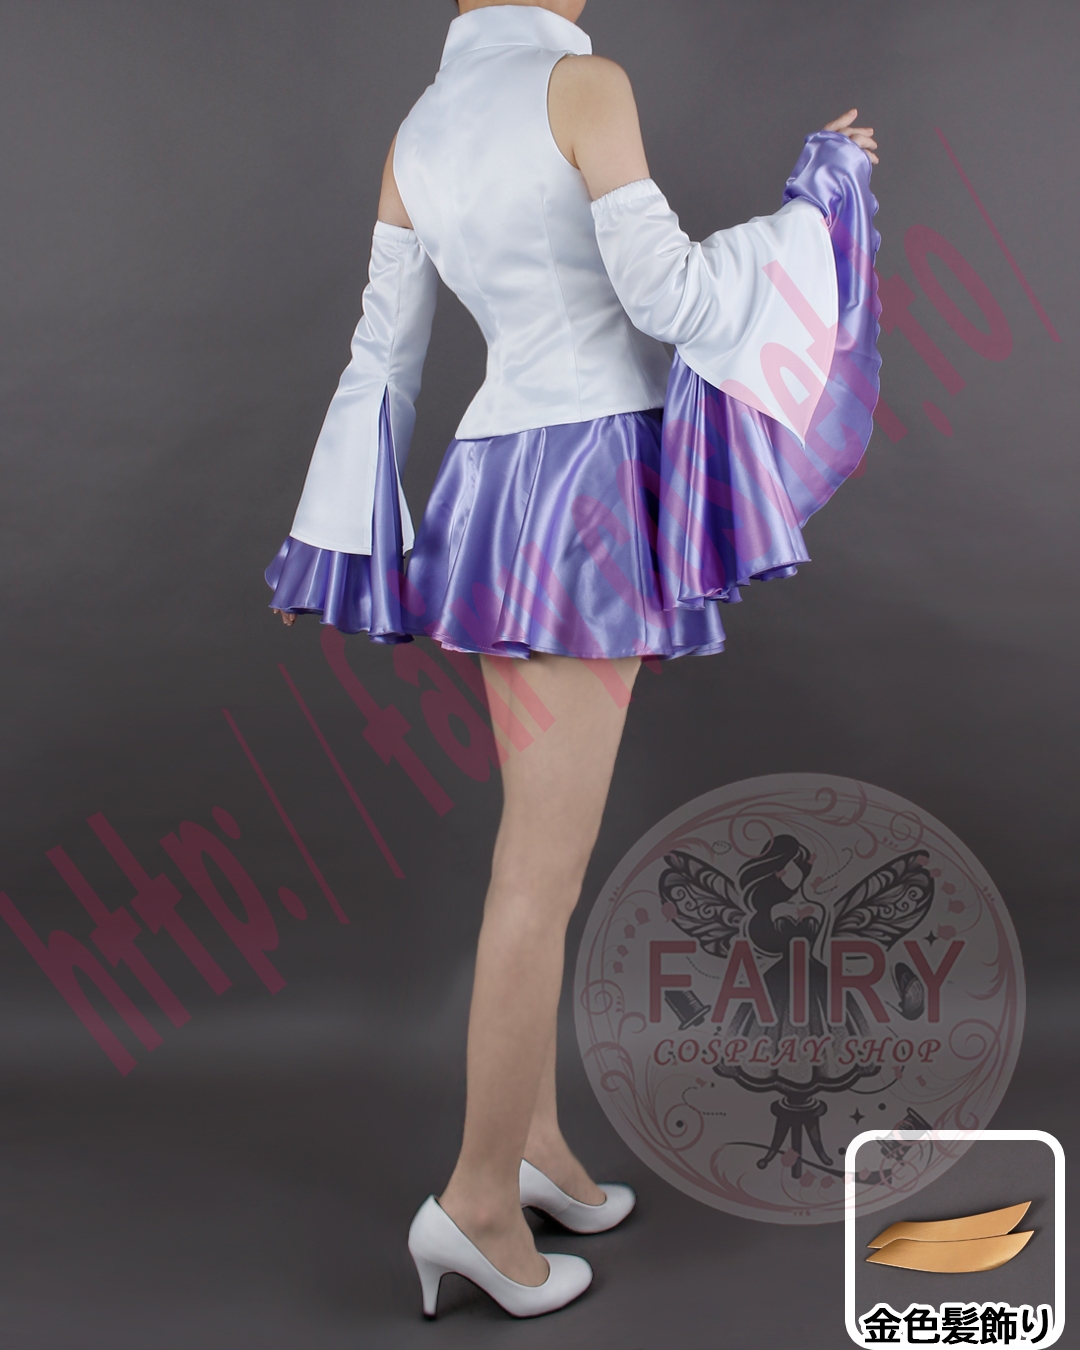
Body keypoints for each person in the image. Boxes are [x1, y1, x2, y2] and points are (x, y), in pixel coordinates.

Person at [266, 0, 880, 1319]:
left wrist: (334, 534)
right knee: (536, 877)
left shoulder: (417, 128)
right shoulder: (584, 83)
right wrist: (813, 209)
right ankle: (477, 1202)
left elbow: (384, 353)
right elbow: (669, 299)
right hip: (587, 482)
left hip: (494, 484)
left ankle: (538, 1148)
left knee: (538, 861)